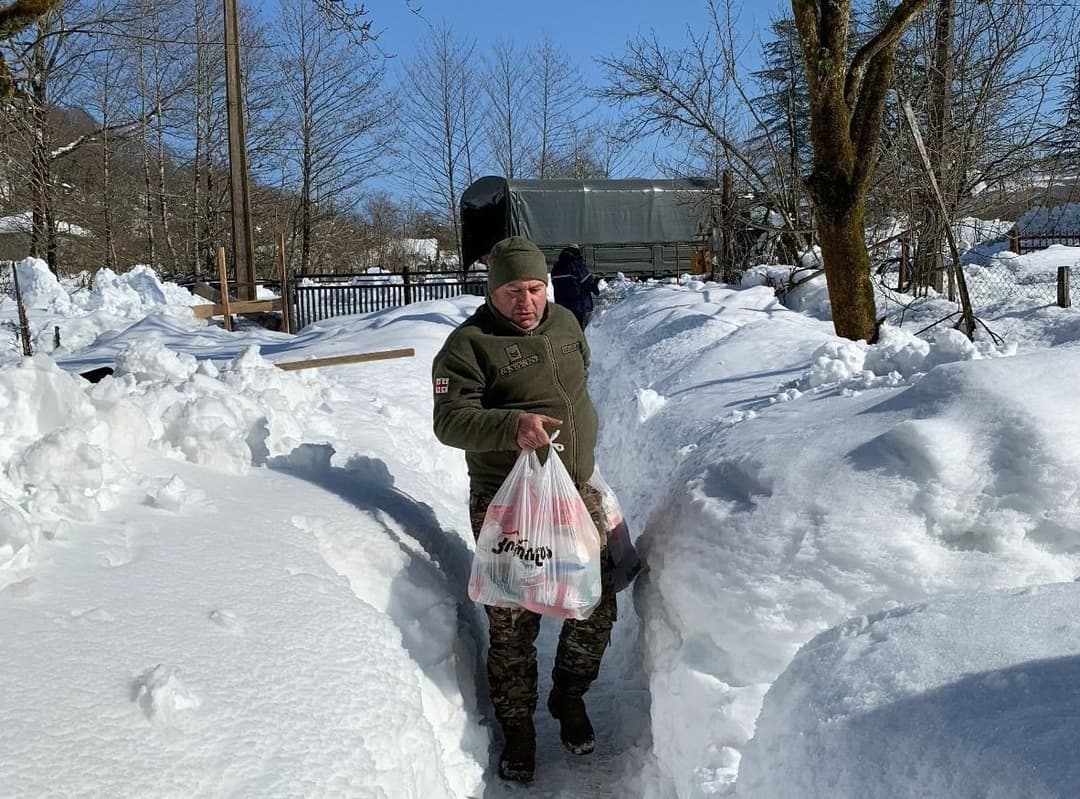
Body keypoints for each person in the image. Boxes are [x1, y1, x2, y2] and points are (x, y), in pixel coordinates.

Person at [431, 235, 617, 783]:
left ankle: (567, 696)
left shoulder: (565, 325)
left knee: (594, 604)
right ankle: (518, 731)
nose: (527, 301)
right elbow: (449, 422)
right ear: (493, 290)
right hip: (507, 501)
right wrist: (513, 426)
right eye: (513, 290)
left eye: (535, 288)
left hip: (573, 490)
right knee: (514, 619)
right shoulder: (467, 346)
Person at [550, 244, 601, 329]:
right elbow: (587, 281)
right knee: (578, 328)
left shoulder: (556, 267)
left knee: (566, 328)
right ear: (576, 252)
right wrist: (596, 290)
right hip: (577, 304)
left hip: (561, 304)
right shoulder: (576, 264)